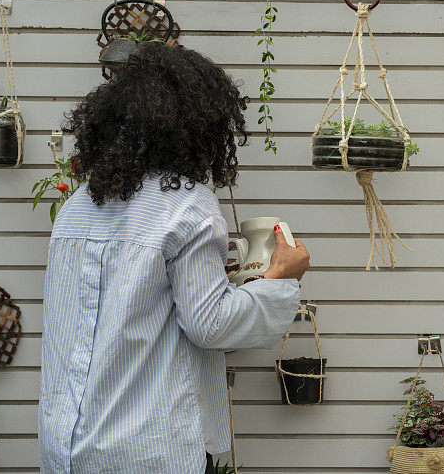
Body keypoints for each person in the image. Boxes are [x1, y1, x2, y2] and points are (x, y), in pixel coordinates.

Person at [37, 43, 310, 474]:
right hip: (148, 444)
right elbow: (210, 324)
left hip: (66, 441)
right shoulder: (186, 205)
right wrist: (280, 278)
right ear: (198, 125)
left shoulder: (79, 205)